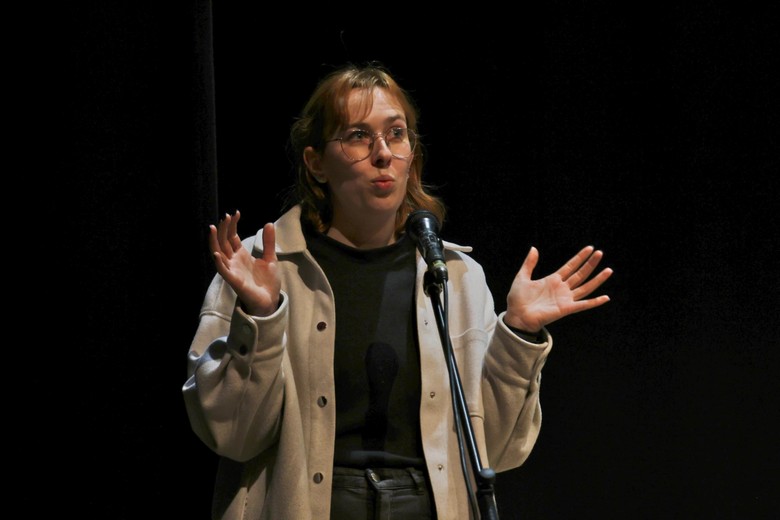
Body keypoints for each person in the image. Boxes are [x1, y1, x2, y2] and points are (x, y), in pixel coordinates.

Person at [183, 62, 613, 520]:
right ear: (316, 163)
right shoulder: (260, 268)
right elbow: (233, 436)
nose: (383, 153)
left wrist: (520, 334)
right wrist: (261, 315)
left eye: (396, 134)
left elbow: (499, 451)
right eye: (358, 136)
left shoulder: (456, 278)